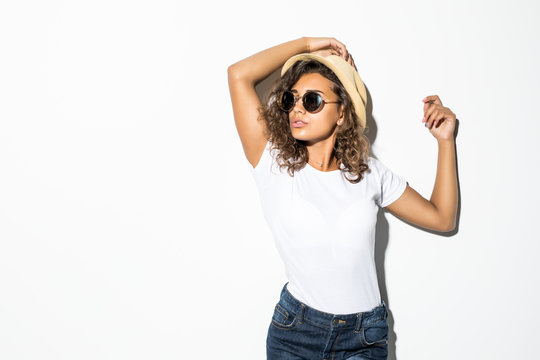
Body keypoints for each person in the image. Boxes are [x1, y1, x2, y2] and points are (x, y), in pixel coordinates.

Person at [227, 37, 458, 360]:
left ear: (342, 114)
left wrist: (445, 140)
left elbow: (442, 218)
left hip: (364, 337)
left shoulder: (370, 175)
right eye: (292, 99)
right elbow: (238, 74)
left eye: (312, 100)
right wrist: (307, 44)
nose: (297, 107)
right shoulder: (272, 163)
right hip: (295, 335)